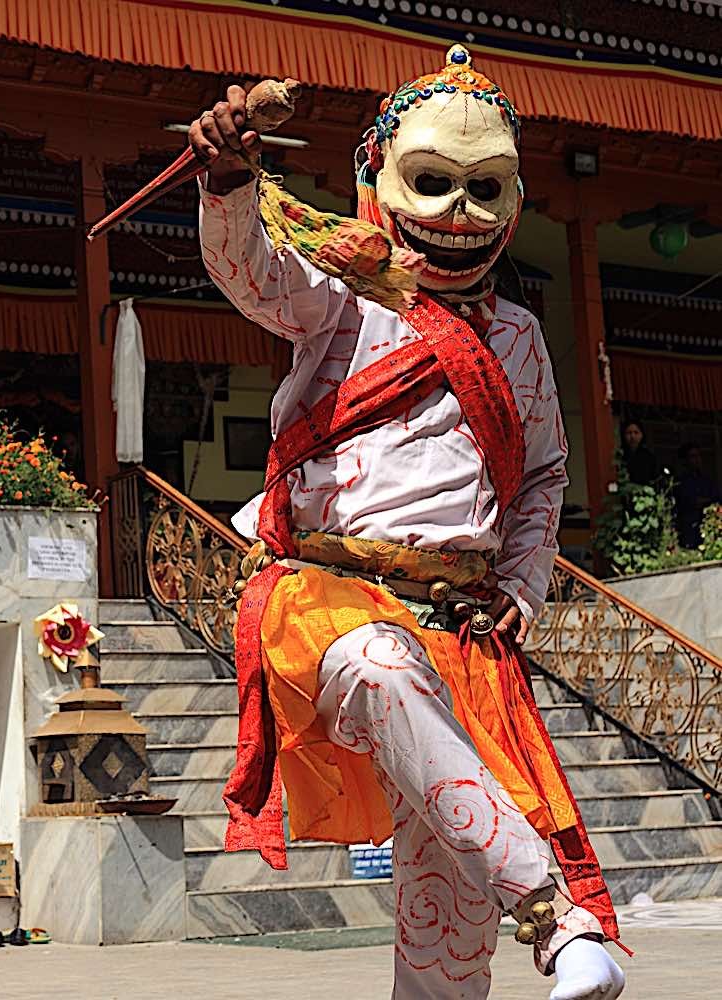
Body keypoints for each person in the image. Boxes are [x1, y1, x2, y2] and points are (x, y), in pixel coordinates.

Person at [191, 45, 624, 999]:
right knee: (375, 666)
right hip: (331, 604)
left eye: (484, 191)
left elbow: (545, 472)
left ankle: (517, 938)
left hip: (462, 622)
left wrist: (521, 584)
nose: (457, 216)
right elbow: (251, 276)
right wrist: (226, 180)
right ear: (377, 179)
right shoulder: (341, 294)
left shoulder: (518, 334)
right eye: (432, 183)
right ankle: (557, 916)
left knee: (443, 934)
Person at [673, 443, 720, 548]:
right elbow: (686, 501)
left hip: (707, 522)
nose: (697, 460)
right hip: (689, 526)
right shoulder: (681, 481)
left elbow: (715, 497)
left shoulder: (706, 479)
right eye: (693, 456)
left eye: (698, 456)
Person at [621, 420, 660, 487]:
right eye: (629, 433)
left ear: (641, 435)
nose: (632, 436)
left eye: (636, 432)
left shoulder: (649, 457)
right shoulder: (620, 455)